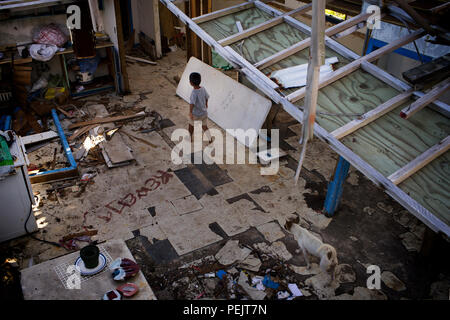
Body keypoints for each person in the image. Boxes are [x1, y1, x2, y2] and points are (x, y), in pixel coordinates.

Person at [188, 72, 212, 143]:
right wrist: (206, 104)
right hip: (204, 113)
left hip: (196, 114)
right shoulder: (203, 89)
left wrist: (190, 112)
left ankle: (190, 138)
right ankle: (210, 139)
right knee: (204, 126)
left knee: (191, 126)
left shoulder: (194, 92)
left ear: (191, 83)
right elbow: (207, 97)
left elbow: (192, 103)